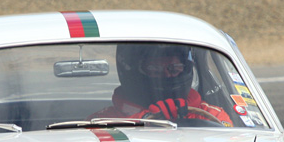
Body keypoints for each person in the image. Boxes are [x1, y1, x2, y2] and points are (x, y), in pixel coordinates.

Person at [91, 44, 231, 125]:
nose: (167, 75)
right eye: (155, 70)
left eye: (174, 69)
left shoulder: (212, 114)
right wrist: (144, 121)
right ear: (132, 71)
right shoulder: (104, 119)